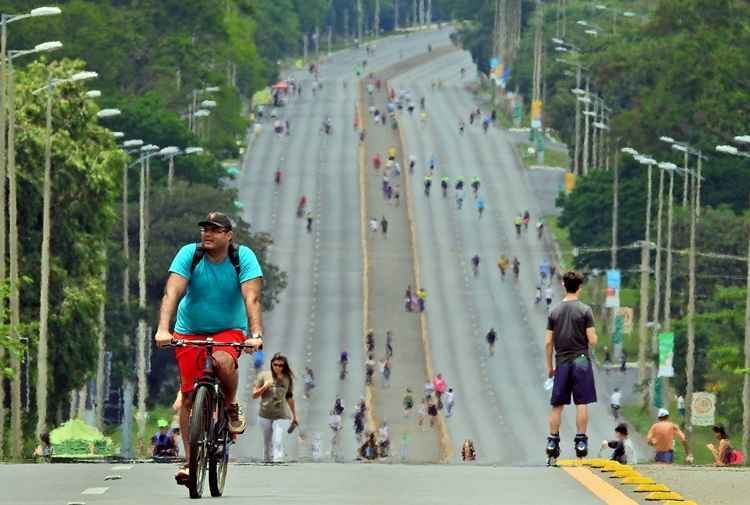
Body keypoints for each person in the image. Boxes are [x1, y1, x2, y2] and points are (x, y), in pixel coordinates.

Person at [154, 212, 264, 483]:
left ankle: (230, 404)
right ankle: (191, 464)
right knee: (189, 397)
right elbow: (172, 292)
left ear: (228, 235)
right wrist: (163, 329)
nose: (208, 234)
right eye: (205, 229)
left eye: (215, 230)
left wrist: (256, 334)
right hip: (189, 329)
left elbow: (252, 298)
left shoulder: (243, 258)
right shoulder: (189, 255)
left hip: (228, 328)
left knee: (223, 362)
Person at [545, 271, 598, 461]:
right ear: (580, 287)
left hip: (562, 360)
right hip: (581, 359)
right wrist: (594, 338)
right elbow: (592, 340)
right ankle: (581, 440)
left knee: (557, 404)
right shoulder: (585, 310)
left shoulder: (554, 312)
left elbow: (548, 342)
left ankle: (552, 440)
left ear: (563, 285)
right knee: (581, 402)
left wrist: (549, 366)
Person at [253, 353, 299, 463]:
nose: (277, 367)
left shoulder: (287, 379)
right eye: (275, 364)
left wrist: (294, 416)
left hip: (282, 415)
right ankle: (267, 461)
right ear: (271, 364)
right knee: (267, 442)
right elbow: (254, 395)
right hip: (265, 414)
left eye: (281, 365)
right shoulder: (263, 376)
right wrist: (264, 387)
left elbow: (289, 397)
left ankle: (278, 460)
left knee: (278, 440)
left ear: (284, 366)